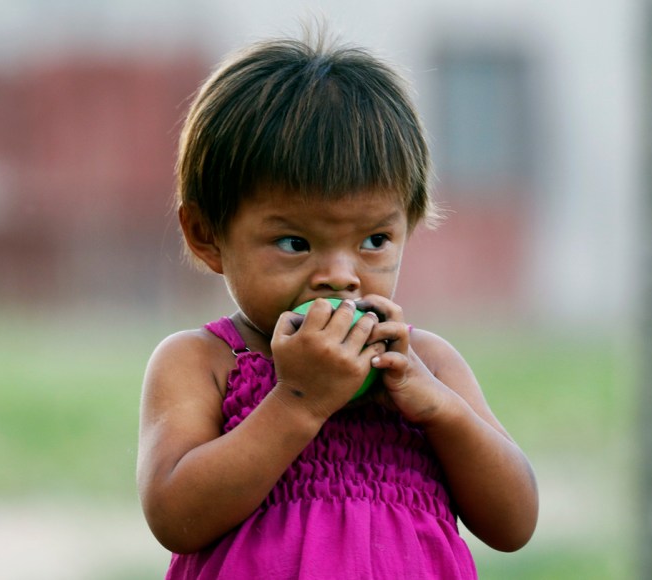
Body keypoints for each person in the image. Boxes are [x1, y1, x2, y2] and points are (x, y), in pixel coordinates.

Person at [137, 30, 538, 579]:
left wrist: (442, 411)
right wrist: (298, 401)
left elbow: (514, 524)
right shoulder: (201, 364)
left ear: (409, 227)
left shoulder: (428, 366)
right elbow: (175, 518)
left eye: (374, 240)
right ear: (207, 235)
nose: (341, 277)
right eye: (294, 243)